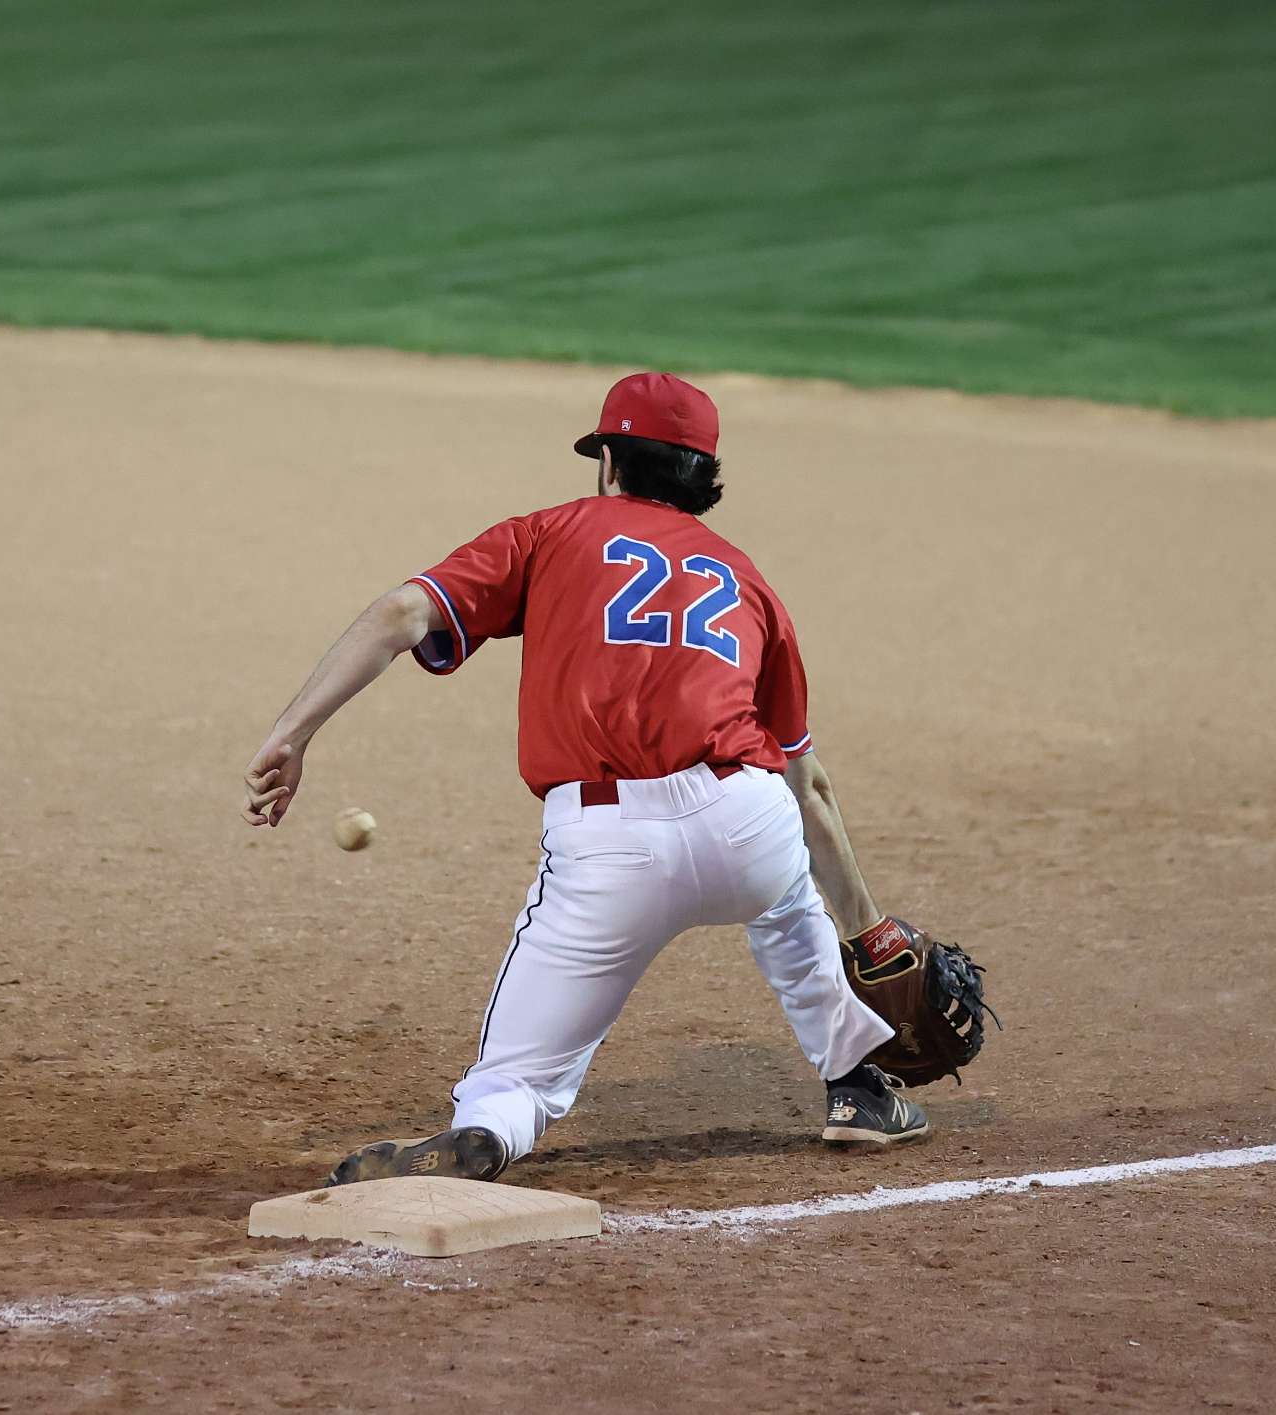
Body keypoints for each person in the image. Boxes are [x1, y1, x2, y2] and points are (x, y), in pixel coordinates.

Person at [241, 373, 928, 1186]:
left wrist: (292, 731)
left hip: (610, 845)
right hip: (748, 817)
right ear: (703, 476)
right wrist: (870, 930)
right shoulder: (748, 581)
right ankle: (858, 1085)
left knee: (515, 1080)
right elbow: (806, 786)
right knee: (788, 905)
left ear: (610, 462)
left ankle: (490, 1127)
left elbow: (401, 615)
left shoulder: (549, 533)